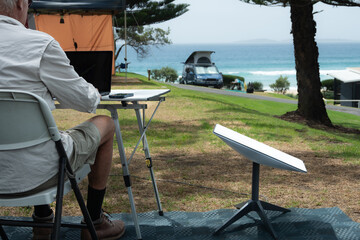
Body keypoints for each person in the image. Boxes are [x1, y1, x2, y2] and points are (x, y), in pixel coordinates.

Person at [0, 0, 125, 239]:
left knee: (35, 136)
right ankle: (95, 224)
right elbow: (86, 101)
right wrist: (91, 91)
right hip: (40, 173)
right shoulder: (40, 44)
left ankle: (43, 222)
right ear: (18, 3)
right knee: (105, 123)